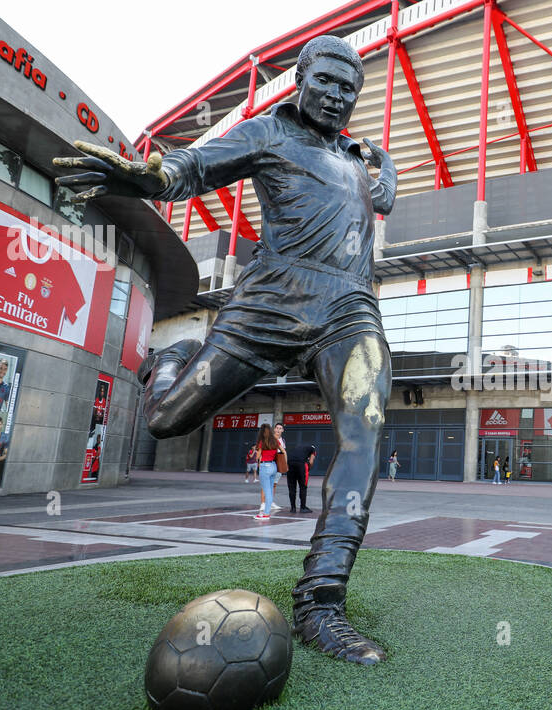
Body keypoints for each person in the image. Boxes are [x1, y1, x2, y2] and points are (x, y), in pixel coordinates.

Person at [55, 36, 396, 665]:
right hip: (269, 304)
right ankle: (174, 361)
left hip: (349, 307)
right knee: (167, 421)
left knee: (365, 432)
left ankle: (322, 601)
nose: (338, 95)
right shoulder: (266, 131)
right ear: (300, 78)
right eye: (326, 81)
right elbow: (193, 167)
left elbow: (378, 202)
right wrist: (148, 176)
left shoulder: (352, 155)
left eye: (349, 89)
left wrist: (386, 168)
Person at [253, 423, 282, 521]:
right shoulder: (275, 441)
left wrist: (258, 455)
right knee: (270, 490)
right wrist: (284, 464)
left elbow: (257, 457)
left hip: (265, 466)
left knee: (267, 491)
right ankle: (266, 513)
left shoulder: (262, 442)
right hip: (274, 466)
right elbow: (284, 452)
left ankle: (265, 514)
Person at [287, 443, 317, 514]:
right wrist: (309, 468)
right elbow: (311, 461)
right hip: (300, 464)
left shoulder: (297, 448)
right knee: (303, 487)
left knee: (292, 487)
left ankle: (293, 508)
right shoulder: (313, 450)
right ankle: (303, 508)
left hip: (289, 463)